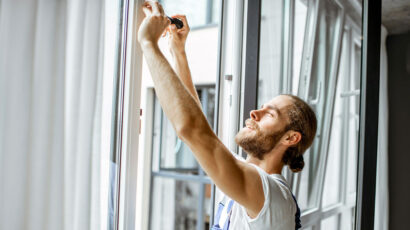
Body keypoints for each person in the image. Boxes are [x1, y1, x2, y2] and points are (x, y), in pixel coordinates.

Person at [137, 1, 317, 229]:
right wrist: (178, 51)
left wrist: (148, 43)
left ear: (290, 138)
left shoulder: (271, 196)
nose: (255, 112)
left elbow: (194, 132)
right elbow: (199, 132)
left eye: (269, 114)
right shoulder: (249, 178)